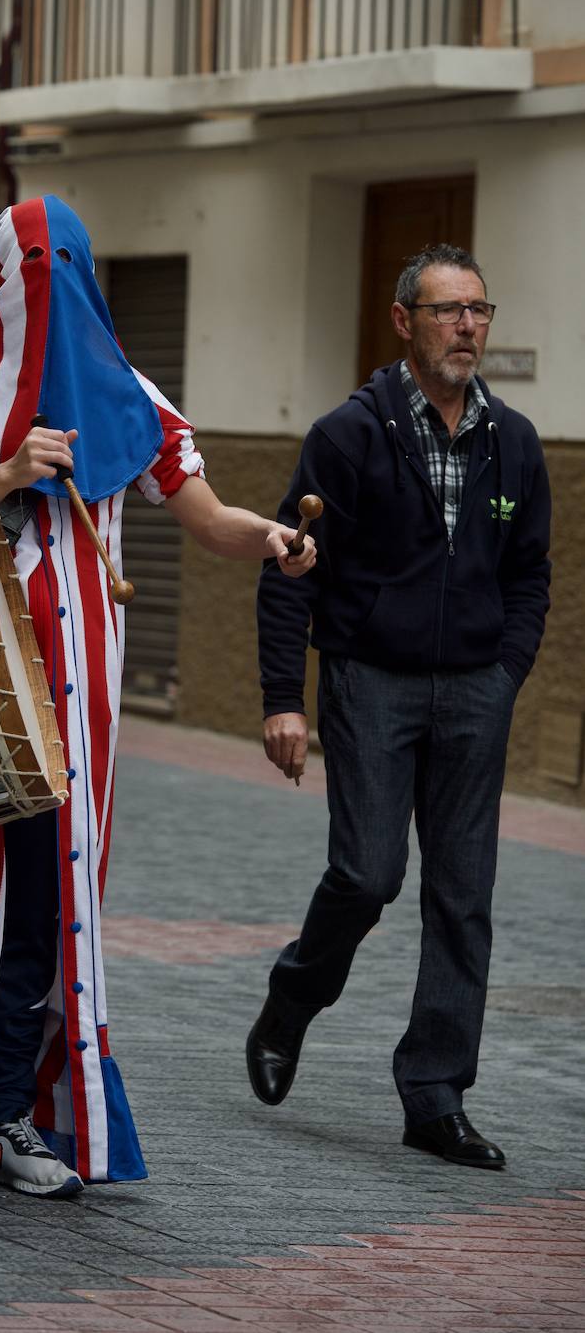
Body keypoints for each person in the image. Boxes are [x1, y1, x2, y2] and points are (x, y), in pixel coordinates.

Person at [0, 195, 317, 1197]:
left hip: (78, 688)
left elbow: (205, 514)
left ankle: (8, 1112)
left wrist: (265, 538)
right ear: (2, 277)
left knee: (49, 895)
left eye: (67, 270)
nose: (50, 292)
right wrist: (3, 471)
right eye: (33, 270)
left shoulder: (127, 396)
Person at [249, 244, 551, 1170]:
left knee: (464, 896)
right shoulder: (350, 434)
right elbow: (287, 564)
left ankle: (434, 1096)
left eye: (479, 311)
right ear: (403, 321)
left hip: (474, 690)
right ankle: (294, 997)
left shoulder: (516, 441)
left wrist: (505, 670)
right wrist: (281, 700)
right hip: (369, 682)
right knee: (370, 874)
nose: (467, 327)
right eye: (447, 311)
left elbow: (531, 573)